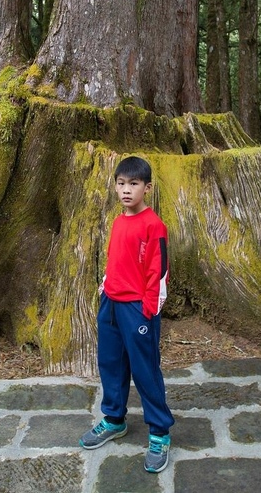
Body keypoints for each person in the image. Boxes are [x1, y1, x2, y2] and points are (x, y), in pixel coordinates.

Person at [79, 156, 175, 473]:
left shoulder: (153, 225)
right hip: (111, 304)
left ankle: (160, 432)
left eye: (133, 184)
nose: (125, 190)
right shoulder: (119, 221)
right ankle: (114, 419)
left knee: (144, 370)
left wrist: (149, 310)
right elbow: (117, 259)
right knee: (110, 363)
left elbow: (157, 272)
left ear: (147, 188)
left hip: (138, 308)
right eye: (121, 183)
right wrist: (107, 286)